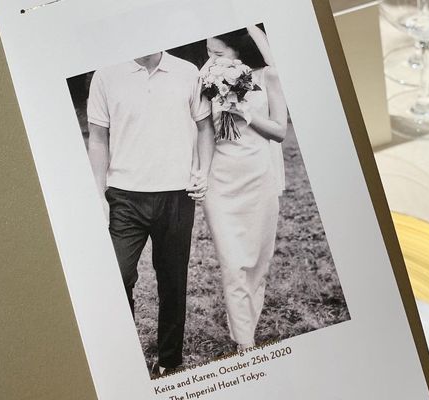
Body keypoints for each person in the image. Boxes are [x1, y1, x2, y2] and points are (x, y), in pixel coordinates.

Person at [86, 51, 212, 377]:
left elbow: (204, 127)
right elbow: (97, 138)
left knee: (173, 281)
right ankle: (126, 359)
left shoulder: (187, 72)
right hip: (124, 195)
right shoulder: (106, 74)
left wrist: (203, 171)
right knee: (117, 276)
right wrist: (98, 194)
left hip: (177, 194)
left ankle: (170, 361)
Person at [197, 27, 288, 350]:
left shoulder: (268, 77)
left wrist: (244, 112)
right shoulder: (206, 81)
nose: (211, 60)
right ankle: (246, 345)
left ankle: (243, 328)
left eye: (218, 53)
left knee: (258, 265)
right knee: (233, 265)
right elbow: (205, 133)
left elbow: (279, 131)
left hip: (259, 177)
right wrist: (201, 175)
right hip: (221, 182)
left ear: (239, 49)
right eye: (208, 52)